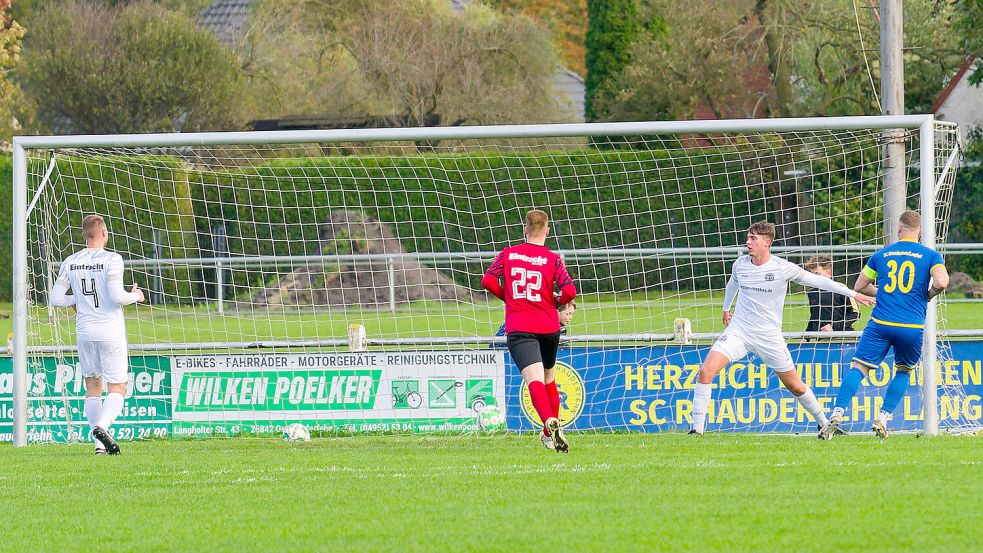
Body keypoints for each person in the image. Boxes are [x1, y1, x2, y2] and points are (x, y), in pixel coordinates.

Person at [688, 221, 874, 435]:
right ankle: (697, 431)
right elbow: (733, 283)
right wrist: (725, 308)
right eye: (748, 237)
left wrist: (854, 294)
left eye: (753, 238)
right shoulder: (740, 264)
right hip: (739, 332)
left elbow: (820, 281)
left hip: (769, 337)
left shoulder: (782, 267)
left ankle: (824, 423)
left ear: (766, 243)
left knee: (795, 386)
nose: (747, 242)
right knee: (705, 372)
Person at [819, 211, 949, 439]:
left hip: (880, 323)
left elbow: (859, 285)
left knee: (859, 368)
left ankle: (837, 413)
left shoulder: (881, 254)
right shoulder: (930, 255)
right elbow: (942, 281)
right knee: (904, 370)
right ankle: (883, 418)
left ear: (898, 230)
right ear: (919, 232)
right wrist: (928, 295)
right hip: (910, 327)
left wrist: (884, 292)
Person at [482, 209, 576, 452]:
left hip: (521, 326)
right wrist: (555, 302)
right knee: (548, 378)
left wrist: (511, 299)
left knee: (533, 381)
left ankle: (548, 422)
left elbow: (488, 281)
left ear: (525, 229)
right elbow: (570, 292)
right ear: (547, 231)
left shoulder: (509, 254)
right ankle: (550, 433)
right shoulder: (553, 259)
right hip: (548, 327)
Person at [49, 215, 145, 454]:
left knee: (92, 387)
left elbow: (56, 298)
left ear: (84, 236)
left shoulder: (71, 261)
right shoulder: (113, 259)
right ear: (104, 233)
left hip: (85, 331)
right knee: (117, 387)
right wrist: (136, 296)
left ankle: (99, 447)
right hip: (109, 331)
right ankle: (102, 426)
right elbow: (116, 296)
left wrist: (76, 300)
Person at [803, 255, 860, 338]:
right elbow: (814, 317)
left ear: (829, 273)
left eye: (817, 274)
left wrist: (833, 326)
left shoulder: (842, 289)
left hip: (843, 337)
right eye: (812, 275)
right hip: (821, 339)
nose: (814, 278)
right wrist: (806, 337)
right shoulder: (812, 292)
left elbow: (855, 313)